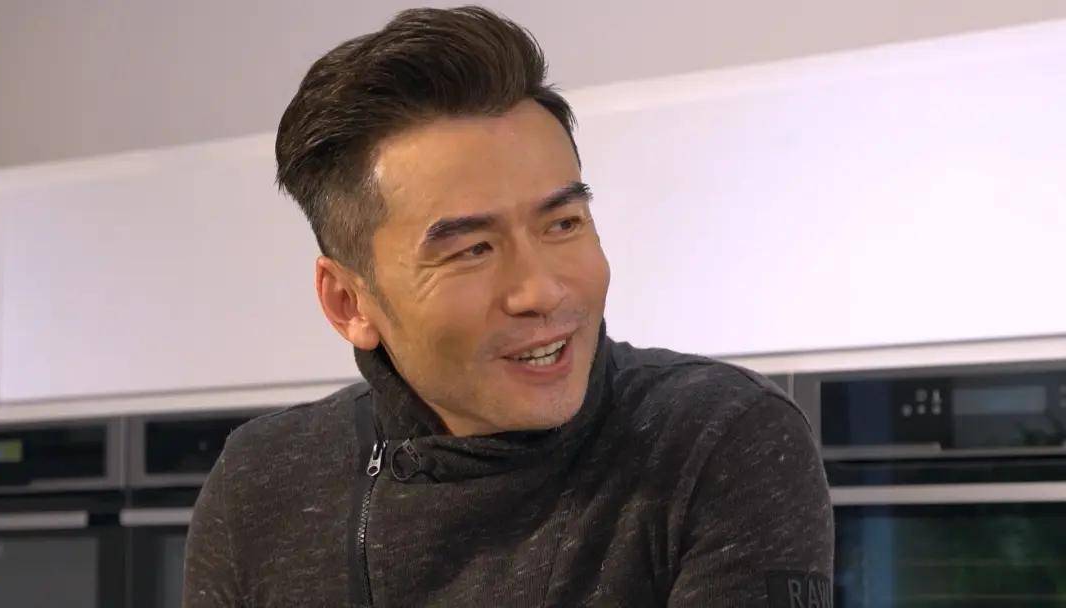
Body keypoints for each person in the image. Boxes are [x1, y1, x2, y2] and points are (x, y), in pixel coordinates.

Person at [182, 5, 833, 607]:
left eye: (563, 224)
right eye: (472, 250)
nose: (542, 291)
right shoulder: (261, 481)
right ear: (349, 302)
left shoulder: (716, 438)